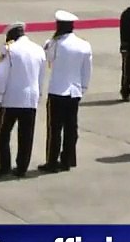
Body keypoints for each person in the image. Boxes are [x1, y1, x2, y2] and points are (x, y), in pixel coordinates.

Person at [40, 10, 93, 173]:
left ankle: (52, 161)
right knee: (71, 127)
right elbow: (87, 70)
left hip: (57, 91)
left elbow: (47, 59)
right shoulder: (84, 45)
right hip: (74, 91)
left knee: (55, 129)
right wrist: (82, 88)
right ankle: (68, 159)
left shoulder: (54, 44)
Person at [0, 22, 45, 178]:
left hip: (11, 98)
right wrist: (39, 95)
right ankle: (22, 167)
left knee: (2, 134)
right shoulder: (38, 49)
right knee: (26, 135)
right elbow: (41, 76)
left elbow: (2, 76)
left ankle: (4, 166)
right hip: (31, 99)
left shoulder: (9, 50)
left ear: (12, 35)